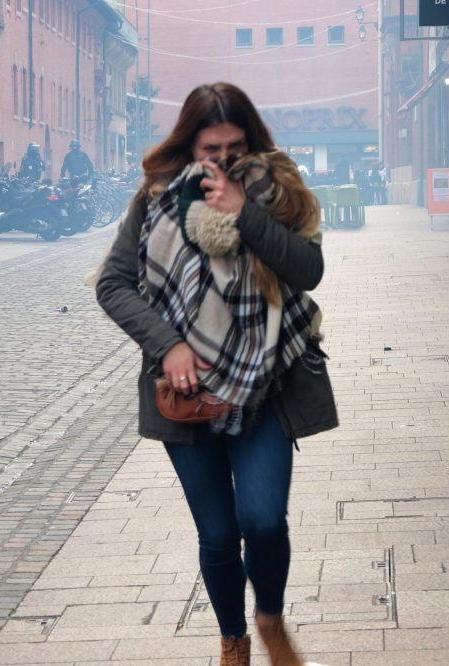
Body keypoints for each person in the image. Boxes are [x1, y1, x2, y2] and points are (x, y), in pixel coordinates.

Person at [94, 82, 338, 666]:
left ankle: (270, 617)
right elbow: (113, 284)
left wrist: (246, 214)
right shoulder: (155, 199)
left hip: (265, 388)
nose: (223, 160)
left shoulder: (278, 191)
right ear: (189, 144)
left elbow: (308, 271)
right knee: (220, 535)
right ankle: (233, 640)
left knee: (263, 519)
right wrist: (169, 345)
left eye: (234, 147)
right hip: (187, 393)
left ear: (250, 141)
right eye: (211, 149)